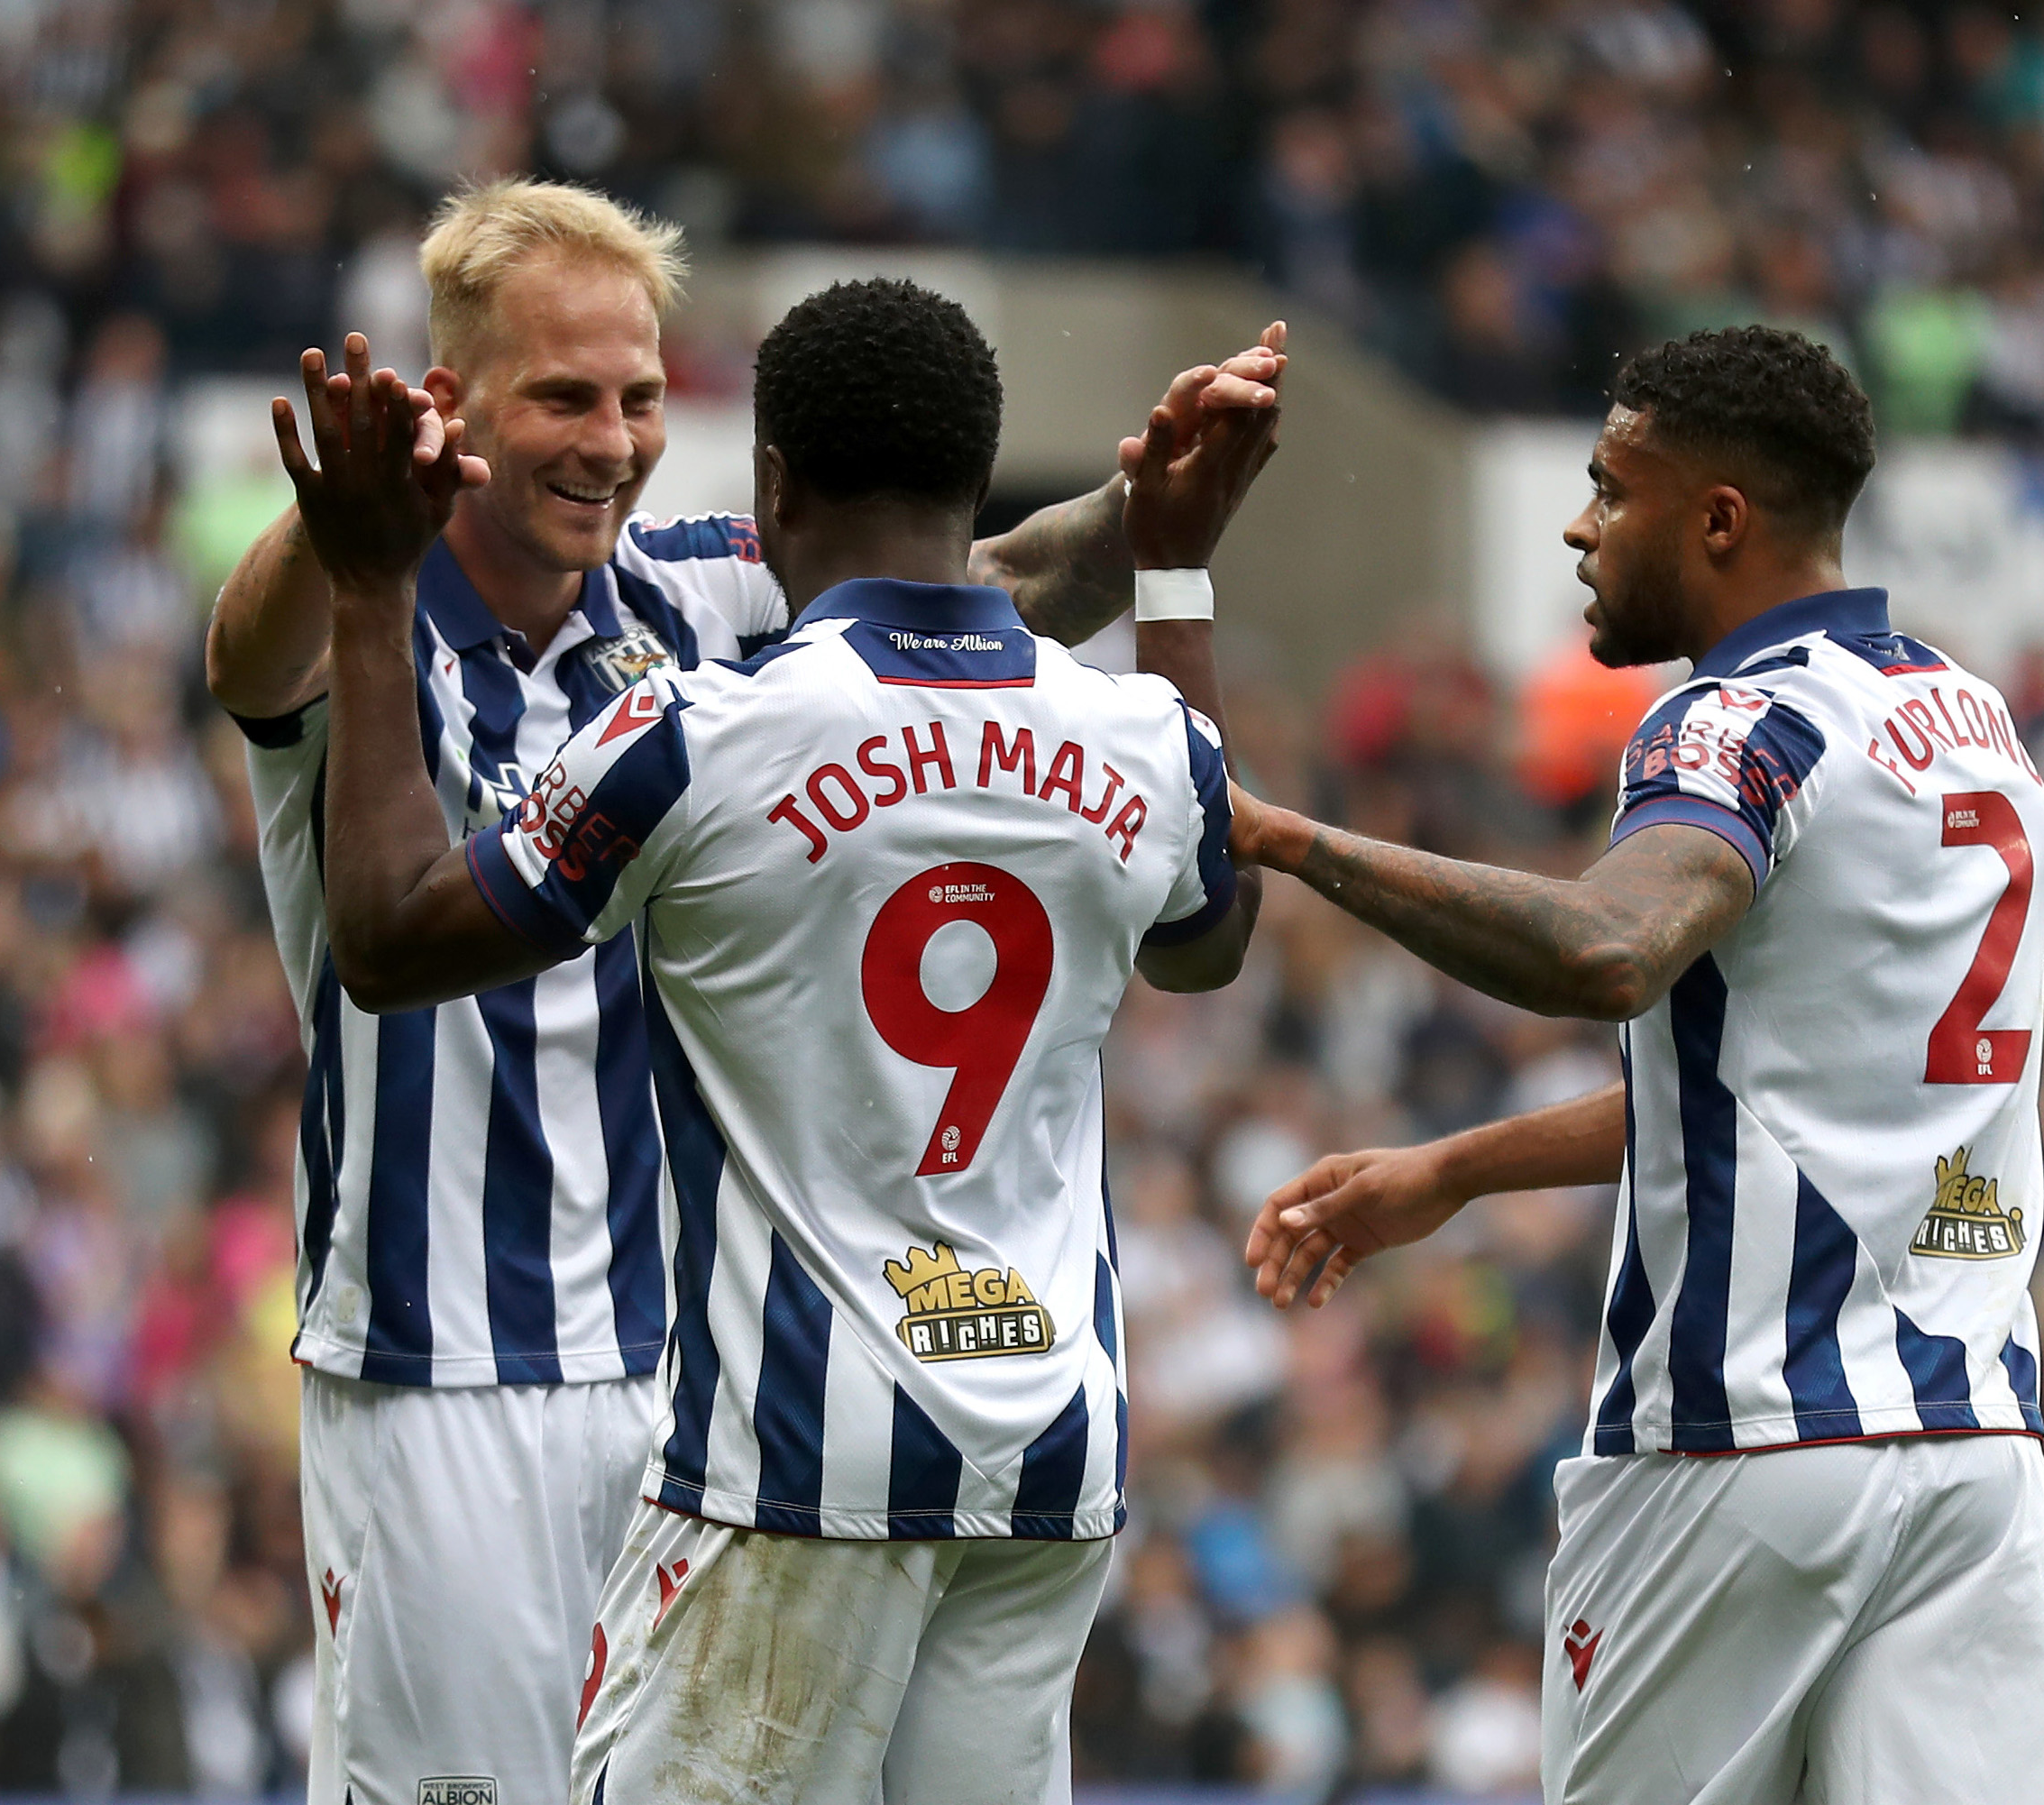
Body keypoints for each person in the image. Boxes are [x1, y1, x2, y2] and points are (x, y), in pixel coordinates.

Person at [212, 179, 1281, 1805]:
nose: (611, 439)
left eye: (638, 396)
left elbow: (958, 580)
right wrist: (341, 518)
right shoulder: (365, 612)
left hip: (691, 1374)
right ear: (453, 404)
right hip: (442, 1369)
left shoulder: (697, 598)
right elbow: (245, 656)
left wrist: (1144, 509)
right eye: (562, 397)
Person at [1236, 327, 2044, 1804]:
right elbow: (1780, 1092)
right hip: (1973, 1457)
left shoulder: (1739, 718)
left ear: (1718, 519)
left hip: (1742, 1448)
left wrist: (1291, 838)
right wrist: (1455, 1167)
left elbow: (1607, 950)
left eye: (1608, 488)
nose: (1579, 526)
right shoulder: (1969, 719)